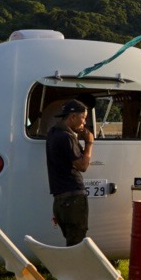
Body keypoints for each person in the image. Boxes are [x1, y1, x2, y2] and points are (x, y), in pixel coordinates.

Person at [45, 99, 93, 246]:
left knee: (71, 240)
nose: (84, 123)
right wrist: (90, 143)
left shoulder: (53, 133)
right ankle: (75, 269)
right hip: (73, 197)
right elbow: (83, 166)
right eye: (83, 118)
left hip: (59, 200)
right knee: (77, 243)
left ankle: (71, 268)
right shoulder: (67, 137)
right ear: (72, 117)